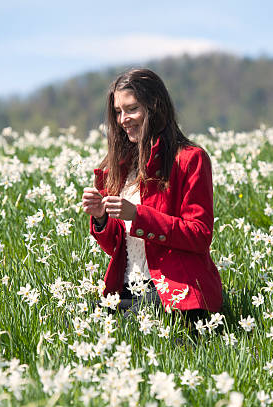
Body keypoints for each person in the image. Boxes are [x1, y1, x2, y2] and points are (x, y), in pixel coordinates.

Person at [81, 68, 222, 330]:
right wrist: (101, 217)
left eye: (131, 108)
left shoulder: (190, 159)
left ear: (154, 107)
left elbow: (200, 234)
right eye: (118, 111)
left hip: (174, 291)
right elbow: (119, 247)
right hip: (127, 290)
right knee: (76, 325)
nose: (123, 119)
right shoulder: (119, 168)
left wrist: (137, 215)